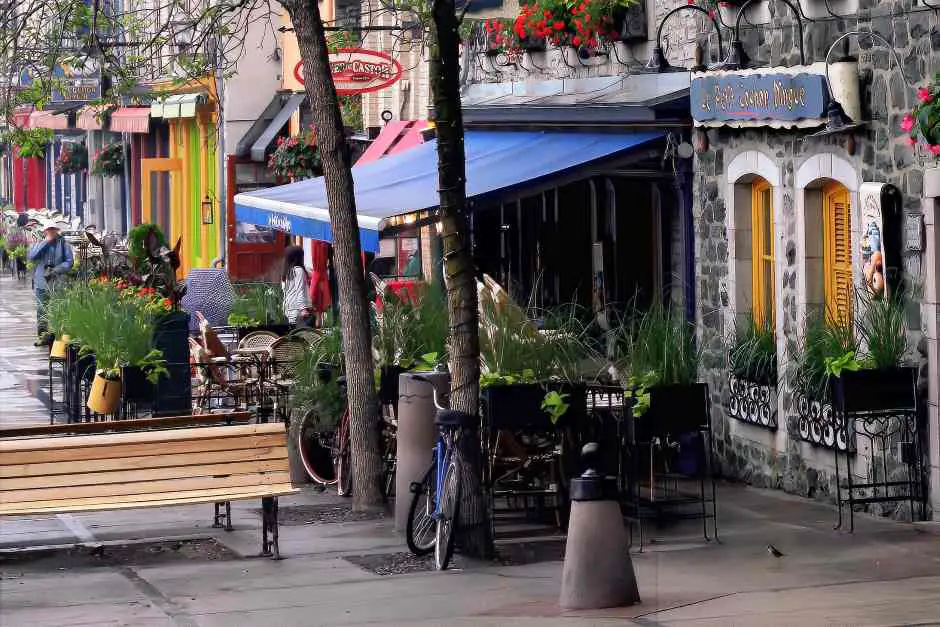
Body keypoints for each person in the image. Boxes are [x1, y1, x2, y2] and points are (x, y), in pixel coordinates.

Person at [28, 220, 73, 345]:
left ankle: (55, 336)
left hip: (56, 281)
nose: (51, 232)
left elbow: (69, 262)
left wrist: (56, 270)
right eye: (49, 229)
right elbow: (32, 256)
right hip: (41, 281)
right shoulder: (40, 242)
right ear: (45, 231)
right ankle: (43, 336)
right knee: (42, 309)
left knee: (57, 308)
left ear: (57, 230)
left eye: (53, 229)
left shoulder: (63, 243)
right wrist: (45, 242)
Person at [281, 245, 311, 326]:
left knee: (292, 334)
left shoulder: (287, 272)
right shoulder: (298, 270)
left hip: (288, 308)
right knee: (300, 334)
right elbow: (299, 290)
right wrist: (303, 309)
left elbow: (284, 290)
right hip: (297, 309)